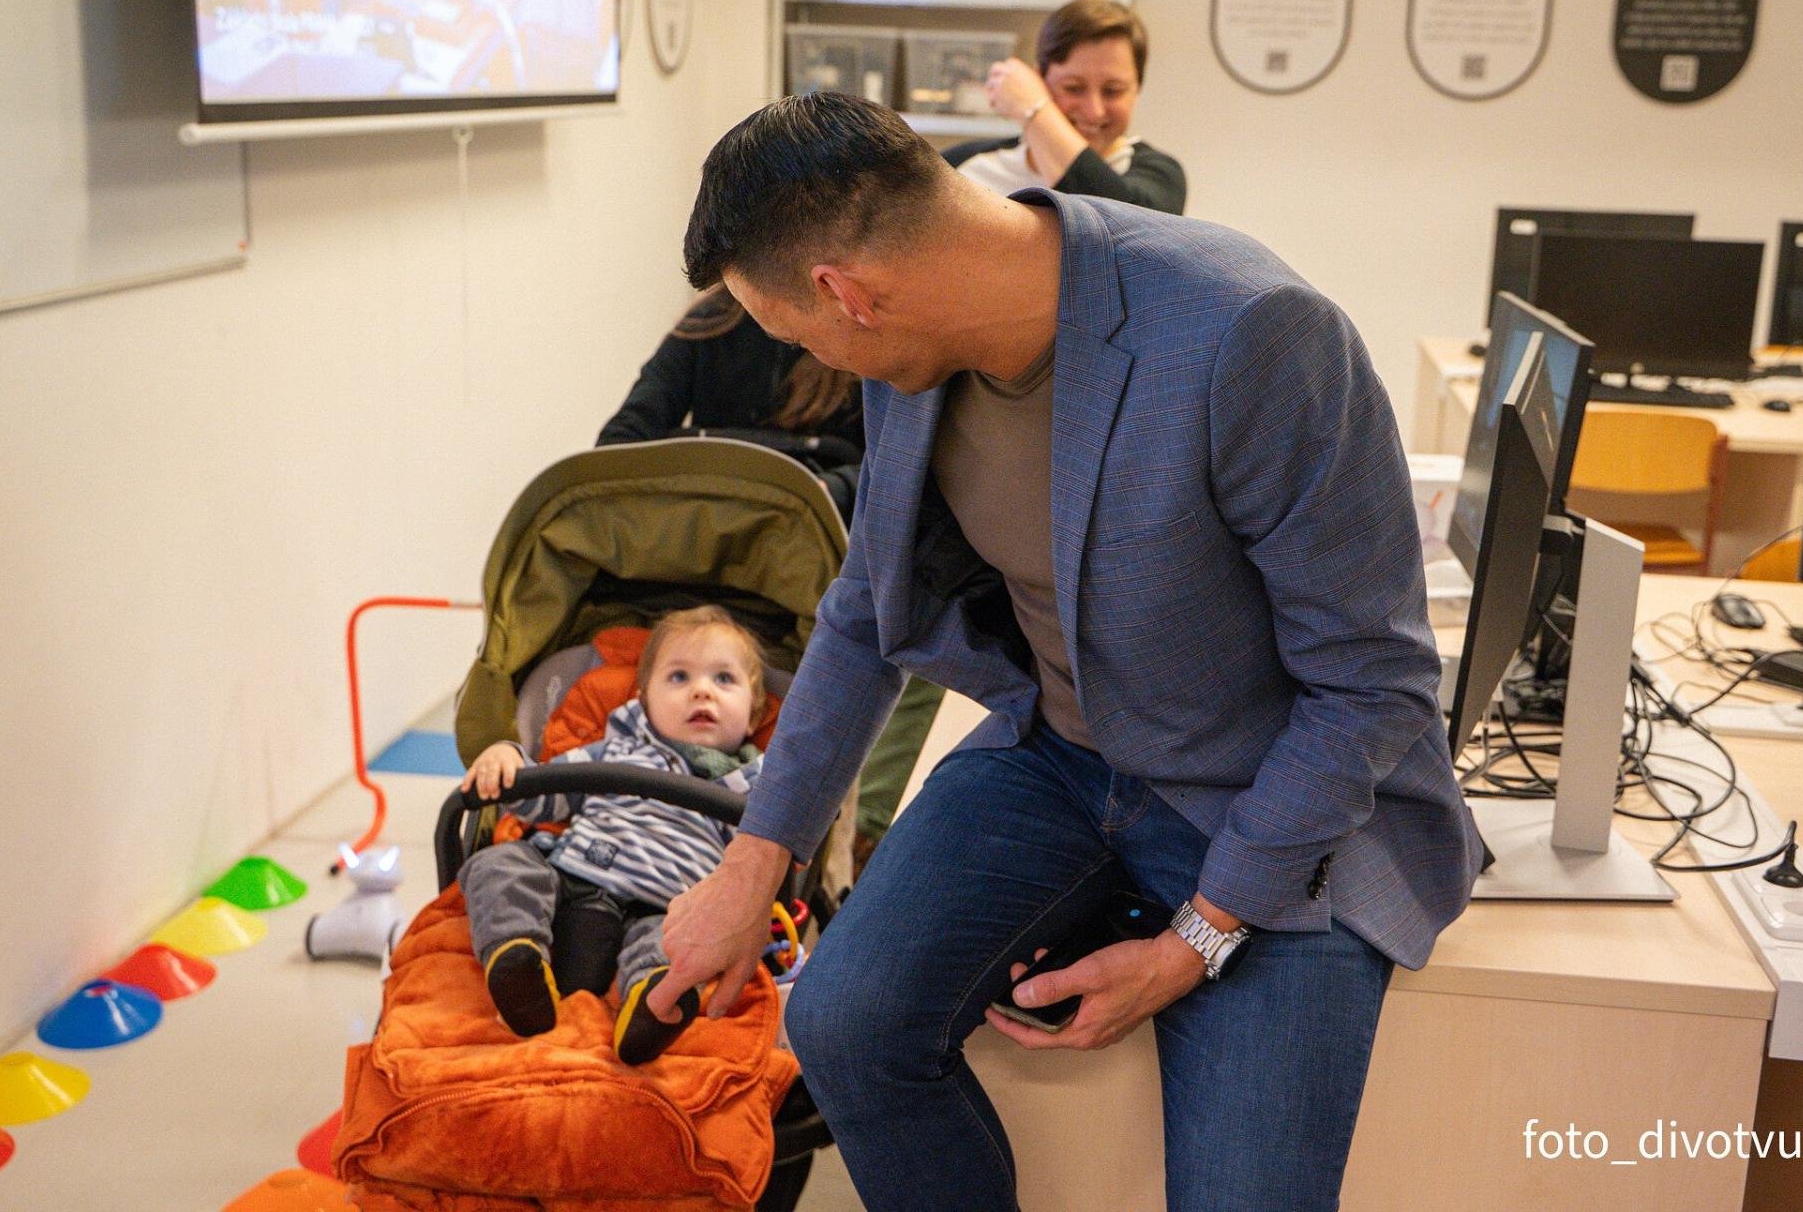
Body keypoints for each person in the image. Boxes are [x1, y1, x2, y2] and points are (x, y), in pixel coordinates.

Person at [647, 93, 1481, 1211]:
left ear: (847, 293)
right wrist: (754, 866)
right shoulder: (913, 354)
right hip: (1064, 757)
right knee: (843, 1023)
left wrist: (1194, 942)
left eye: (798, 336)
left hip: (1273, 799)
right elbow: (864, 608)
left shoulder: (1250, 333)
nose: (811, 360)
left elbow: (1375, 684)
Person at [457, 605, 768, 1066]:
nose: (702, 690)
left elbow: (762, 871)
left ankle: (653, 1006)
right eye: (679, 677)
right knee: (499, 863)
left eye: (724, 679)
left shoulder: (758, 789)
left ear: (754, 713)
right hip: (568, 886)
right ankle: (517, 956)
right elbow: (544, 800)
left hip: (668, 913)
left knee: (686, 950)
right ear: (644, 700)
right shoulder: (616, 750)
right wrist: (509, 760)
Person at [598, 287, 863, 521]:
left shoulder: (857, 328)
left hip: (814, 531)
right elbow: (623, 439)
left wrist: (832, 489)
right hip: (712, 524)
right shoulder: (711, 320)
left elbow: (881, 466)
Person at [943, 0, 1185, 215]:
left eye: (1112, 91)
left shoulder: (1160, 175)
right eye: (1073, 88)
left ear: (1137, 90)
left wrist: (1034, 109)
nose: (1094, 111)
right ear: (1040, 81)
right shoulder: (960, 168)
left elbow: (1119, 225)